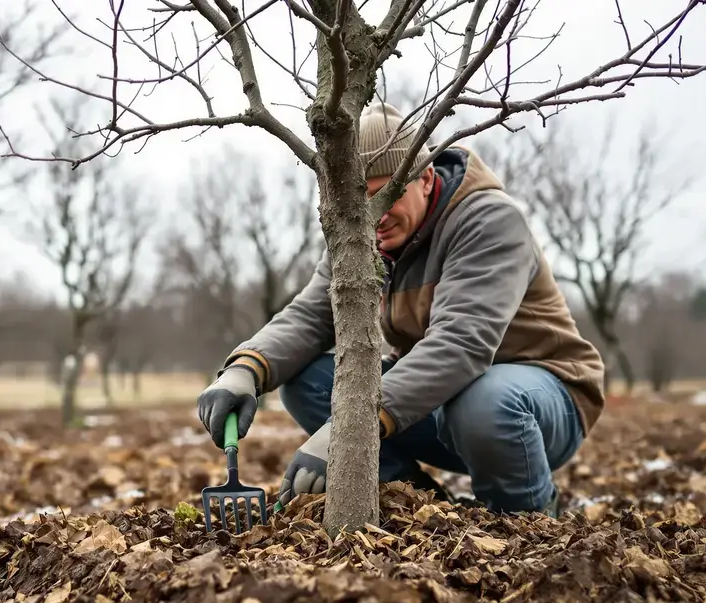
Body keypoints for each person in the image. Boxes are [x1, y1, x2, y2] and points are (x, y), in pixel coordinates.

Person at [196, 102, 605, 517]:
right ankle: (423, 505)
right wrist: (246, 368)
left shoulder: (488, 220)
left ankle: (526, 519)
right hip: (441, 402)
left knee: (484, 401)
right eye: (362, 198)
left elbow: (461, 345)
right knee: (308, 383)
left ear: (425, 178)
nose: (377, 215)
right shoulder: (361, 233)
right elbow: (312, 316)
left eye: (387, 194)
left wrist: (348, 432)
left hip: (538, 402)